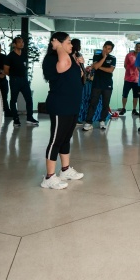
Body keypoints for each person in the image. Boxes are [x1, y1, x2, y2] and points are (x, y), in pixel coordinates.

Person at [40, 32, 86, 190]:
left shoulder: (69, 57)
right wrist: (59, 47)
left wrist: (79, 64)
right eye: (68, 42)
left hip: (72, 104)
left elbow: (80, 77)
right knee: (56, 140)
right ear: (57, 42)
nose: (71, 45)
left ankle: (65, 170)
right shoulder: (52, 58)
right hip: (60, 104)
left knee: (66, 138)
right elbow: (63, 66)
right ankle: (49, 177)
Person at [4, 36, 40, 128]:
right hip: (15, 80)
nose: (22, 44)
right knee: (13, 100)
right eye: (19, 42)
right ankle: (16, 119)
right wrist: (14, 76)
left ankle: (29, 118)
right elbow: (6, 70)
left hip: (24, 80)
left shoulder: (24, 55)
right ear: (14, 44)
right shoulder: (10, 56)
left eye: (22, 42)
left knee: (29, 99)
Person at [82, 41, 116, 131]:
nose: (106, 50)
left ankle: (102, 121)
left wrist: (97, 66)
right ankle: (88, 122)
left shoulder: (113, 58)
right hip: (97, 83)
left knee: (105, 104)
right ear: (103, 47)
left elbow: (110, 70)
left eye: (109, 49)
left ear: (111, 50)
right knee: (93, 103)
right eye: (105, 48)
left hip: (107, 84)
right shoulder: (97, 56)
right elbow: (96, 66)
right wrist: (103, 58)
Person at [120, 42, 140, 116]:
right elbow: (125, 65)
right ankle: (123, 108)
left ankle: (134, 109)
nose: (138, 48)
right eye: (137, 47)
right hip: (128, 79)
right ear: (135, 47)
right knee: (125, 95)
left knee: (136, 96)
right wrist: (130, 70)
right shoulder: (129, 55)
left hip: (137, 80)